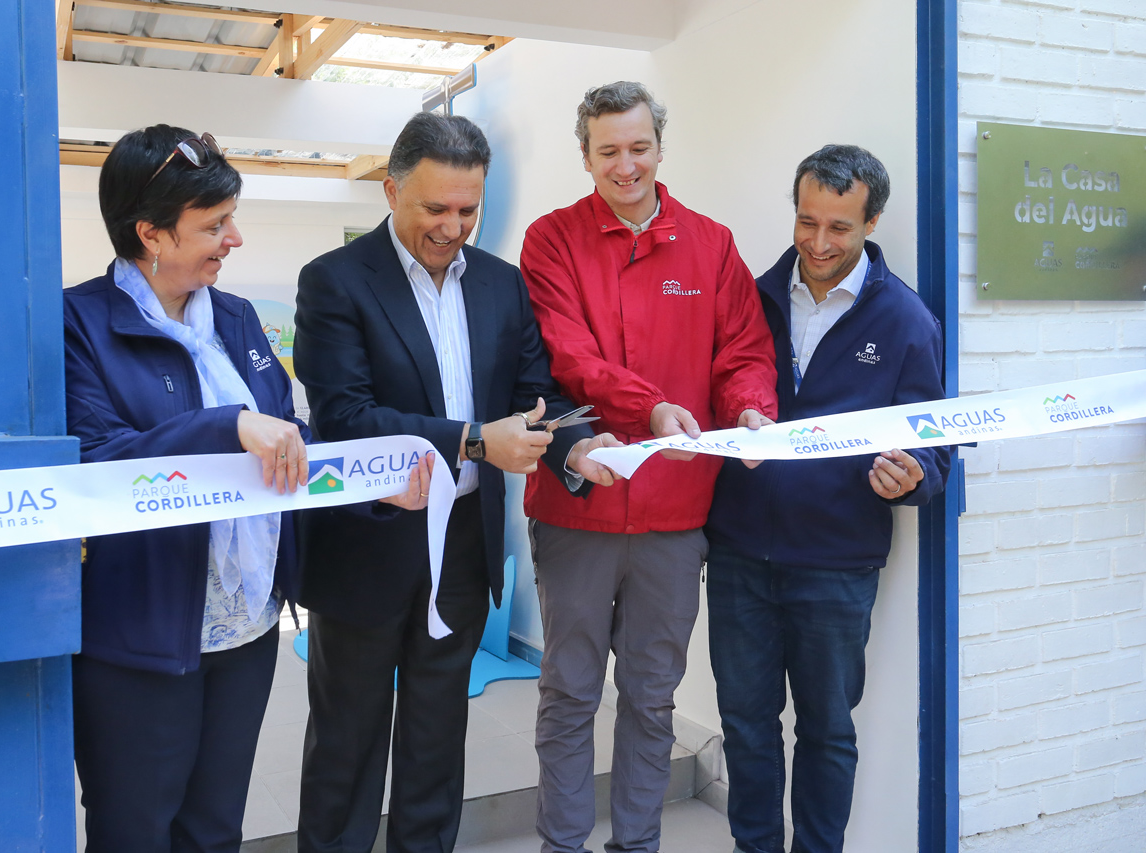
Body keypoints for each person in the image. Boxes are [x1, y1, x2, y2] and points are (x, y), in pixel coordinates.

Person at [63, 123, 430, 853]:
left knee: (213, 826)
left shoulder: (234, 318)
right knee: (135, 826)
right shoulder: (81, 324)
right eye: (214, 224)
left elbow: (288, 438)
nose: (234, 239)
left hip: (248, 624)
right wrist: (227, 424)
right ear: (151, 233)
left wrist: (372, 485)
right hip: (144, 630)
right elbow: (102, 459)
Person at [292, 111, 621, 853]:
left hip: (462, 555)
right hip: (365, 550)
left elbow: (536, 393)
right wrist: (475, 440)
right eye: (433, 208)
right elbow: (344, 418)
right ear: (390, 191)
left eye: (467, 209)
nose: (451, 225)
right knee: (347, 746)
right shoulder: (334, 281)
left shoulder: (503, 287)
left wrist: (571, 448)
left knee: (437, 746)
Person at [520, 81, 778, 853]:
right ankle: (562, 843)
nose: (625, 165)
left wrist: (751, 409)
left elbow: (742, 352)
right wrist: (654, 403)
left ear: (660, 146)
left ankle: (637, 844)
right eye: (608, 152)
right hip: (578, 510)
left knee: (652, 697)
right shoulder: (551, 239)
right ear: (586, 155)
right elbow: (569, 354)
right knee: (567, 692)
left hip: (675, 512)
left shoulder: (711, 242)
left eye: (638, 147)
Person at [705, 145, 951, 853]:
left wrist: (915, 475)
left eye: (838, 228)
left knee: (826, 731)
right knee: (746, 725)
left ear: (872, 221)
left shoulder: (905, 321)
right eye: (806, 221)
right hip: (739, 556)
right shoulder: (750, 298)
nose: (818, 242)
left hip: (838, 567)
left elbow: (932, 446)